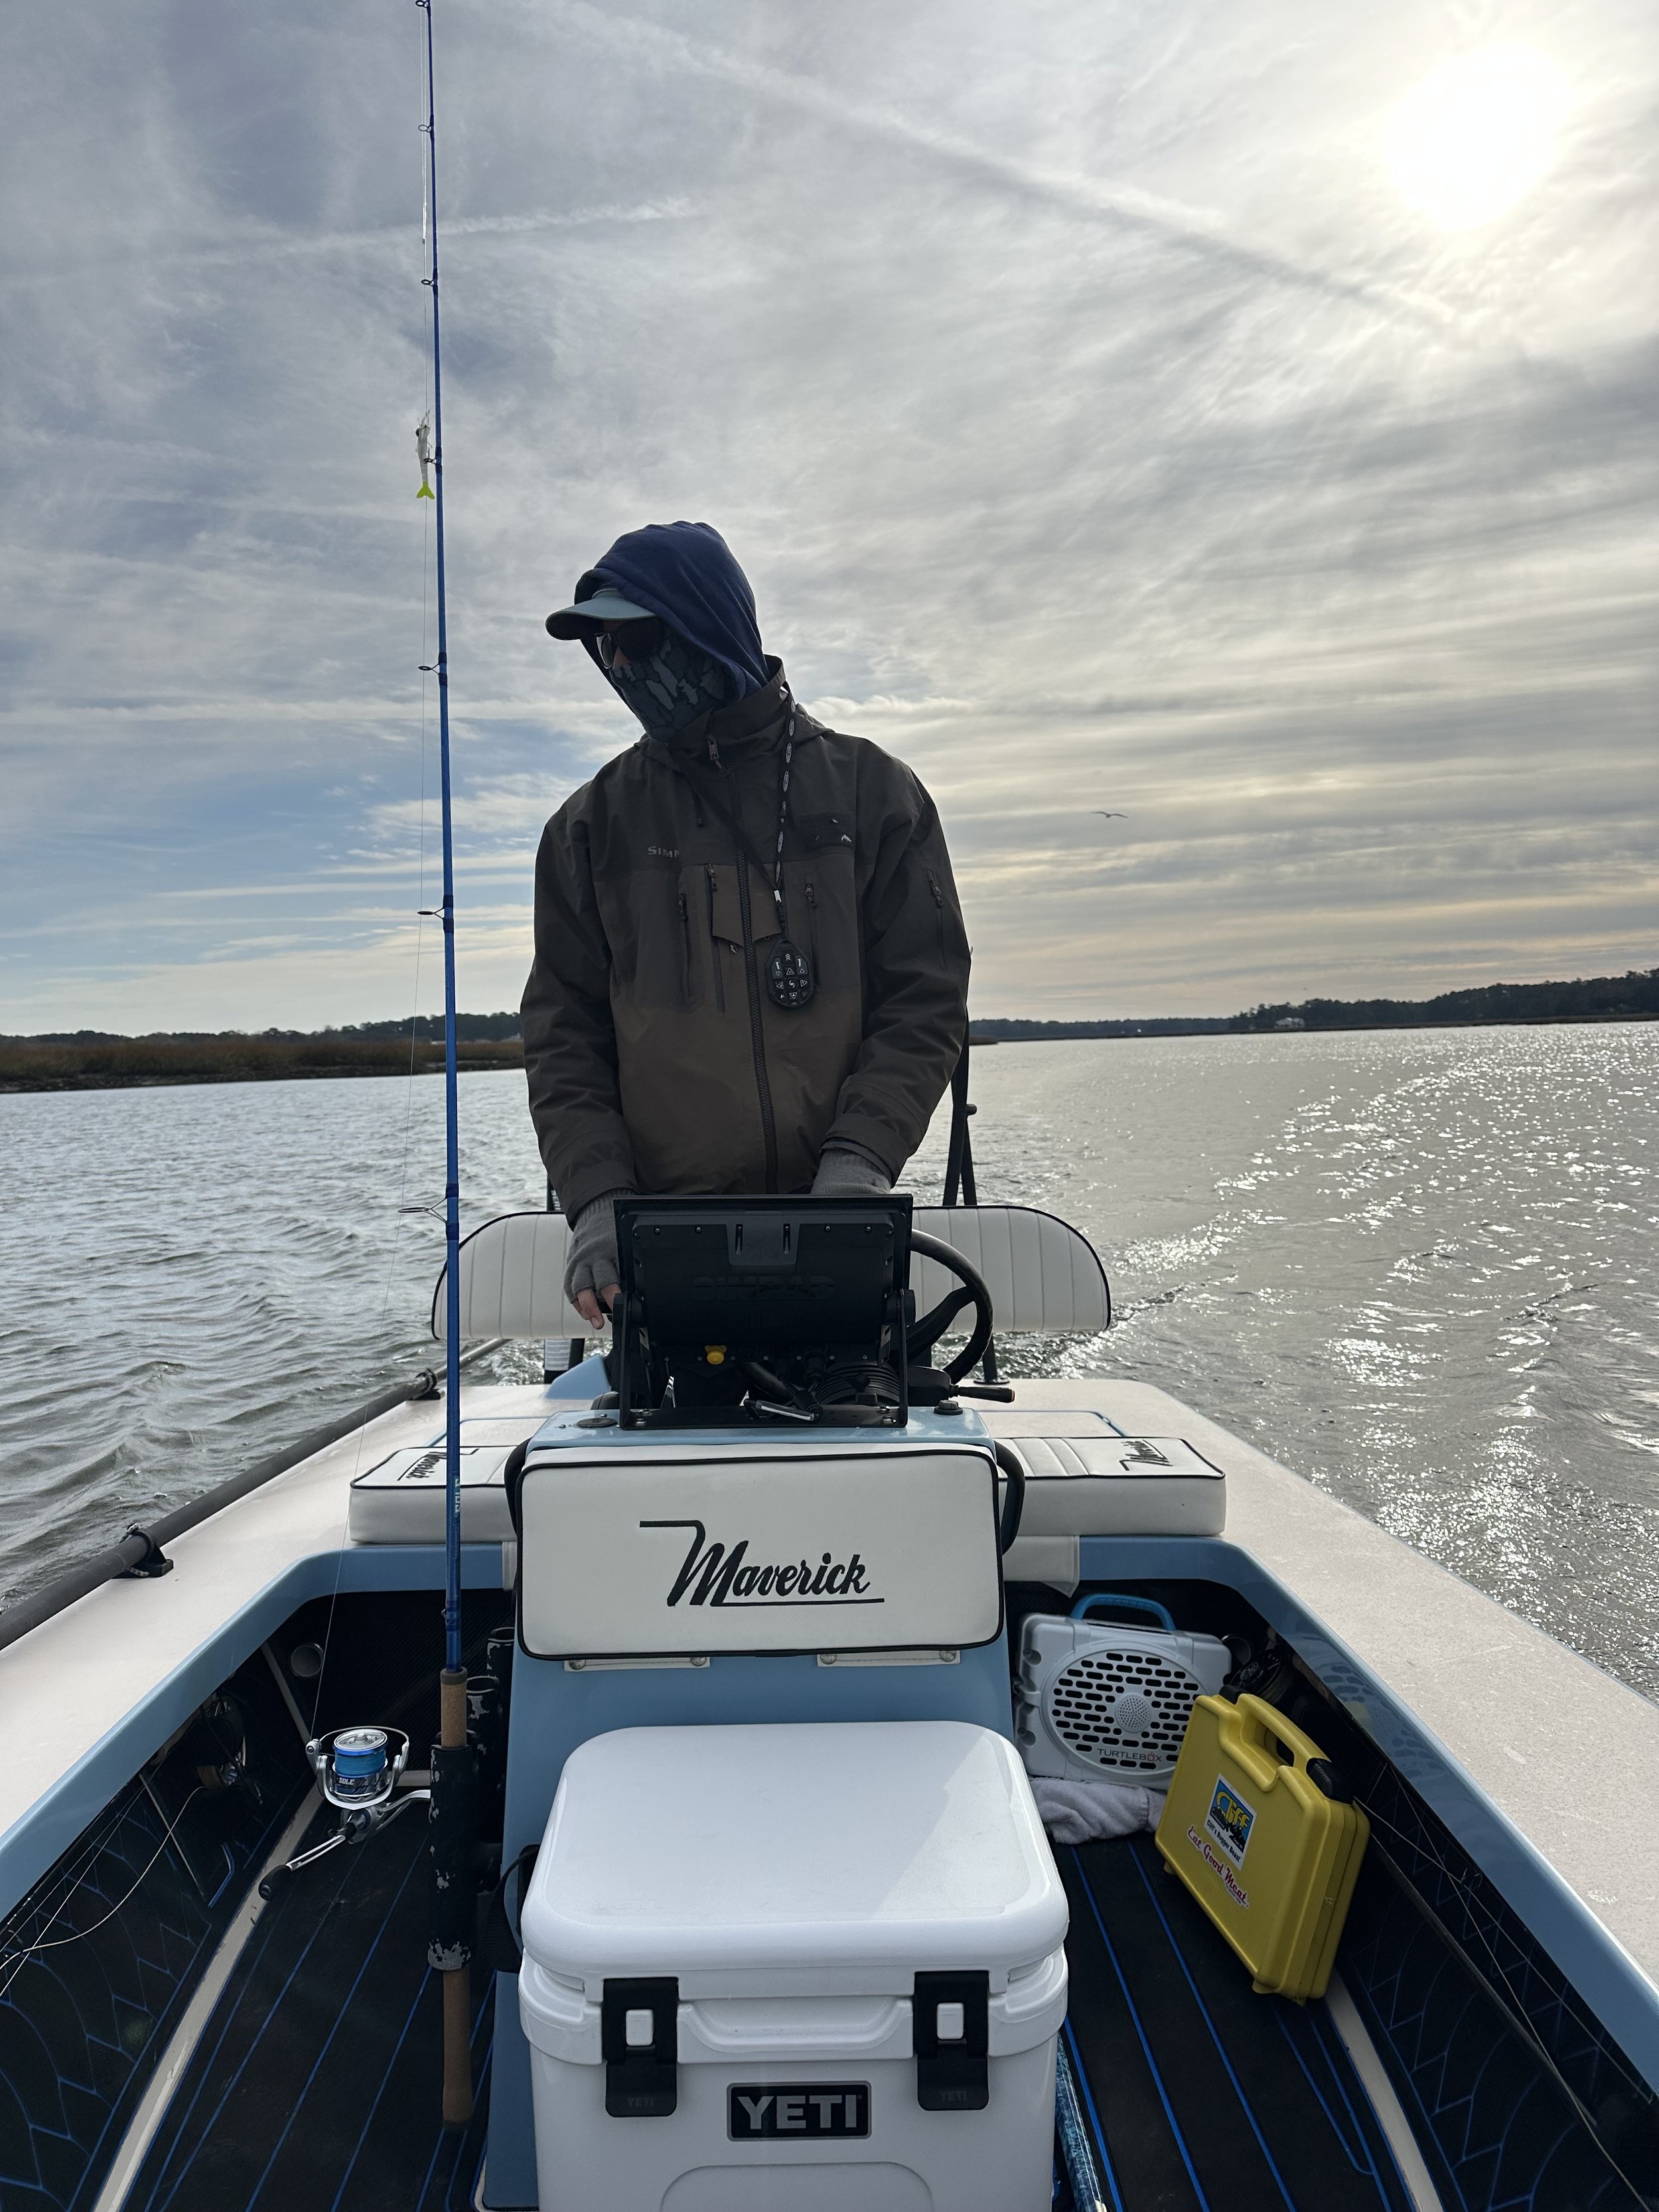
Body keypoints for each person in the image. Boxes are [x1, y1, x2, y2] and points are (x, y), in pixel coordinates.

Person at [522, 521, 970, 1328]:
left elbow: (925, 1002)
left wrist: (859, 1164)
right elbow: (563, 1038)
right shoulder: (587, 828)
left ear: (708, 625)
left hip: (843, 1229)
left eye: (636, 638)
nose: (618, 665)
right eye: (602, 648)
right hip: (656, 1257)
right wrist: (596, 1204)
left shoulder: (875, 793)